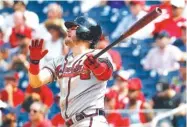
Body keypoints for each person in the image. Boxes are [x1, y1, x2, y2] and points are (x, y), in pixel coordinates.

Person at [28, 16, 113, 127]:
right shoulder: (59, 61)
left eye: (73, 28)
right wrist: (34, 63)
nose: (68, 30)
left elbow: (105, 74)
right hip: (71, 123)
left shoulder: (99, 55)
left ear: (85, 32)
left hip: (91, 120)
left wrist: (96, 66)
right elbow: (36, 82)